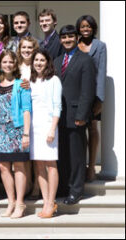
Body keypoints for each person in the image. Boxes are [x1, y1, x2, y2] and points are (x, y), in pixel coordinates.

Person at [54, 25, 95, 205]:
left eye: (71, 37)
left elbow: (88, 90)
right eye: (64, 37)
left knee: (77, 156)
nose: (67, 40)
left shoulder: (85, 60)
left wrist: (82, 115)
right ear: (60, 40)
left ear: (76, 38)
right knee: (62, 155)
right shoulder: (56, 61)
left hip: (76, 116)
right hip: (59, 116)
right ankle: (63, 187)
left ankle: (76, 190)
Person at [0, 50, 31, 218]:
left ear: (15, 65)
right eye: (5, 62)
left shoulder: (21, 84)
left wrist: (26, 134)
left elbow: (27, 110)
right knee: (3, 166)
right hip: (0, 130)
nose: (7, 65)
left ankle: (21, 203)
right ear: (0, 64)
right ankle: (11, 202)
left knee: (19, 166)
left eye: (11, 62)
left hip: (17, 130)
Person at [29, 49, 62, 218]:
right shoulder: (31, 81)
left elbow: (57, 106)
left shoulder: (54, 80)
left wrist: (52, 128)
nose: (39, 63)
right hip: (34, 128)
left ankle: (51, 202)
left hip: (48, 126)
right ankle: (46, 200)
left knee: (50, 164)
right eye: (36, 60)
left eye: (42, 60)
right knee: (39, 165)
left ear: (47, 62)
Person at [76, 15, 107, 182]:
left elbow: (102, 72)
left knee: (92, 128)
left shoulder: (100, 46)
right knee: (78, 130)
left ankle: (91, 167)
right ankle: (80, 166)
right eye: (82, 26)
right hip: (77, 93)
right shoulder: (74, 44)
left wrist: (100, 98)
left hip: (93, 93)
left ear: (93, 28)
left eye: (88, 26)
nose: (85, 29)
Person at [16, 36, 41, 199]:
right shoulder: (15, 67)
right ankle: (28, 184)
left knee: (37, 154)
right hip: (20, 114)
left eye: (29, 48)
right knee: (24, 153)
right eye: (23, 47)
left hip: (38, 112)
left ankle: (38, 187)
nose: (26, 50)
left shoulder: (39, 65)